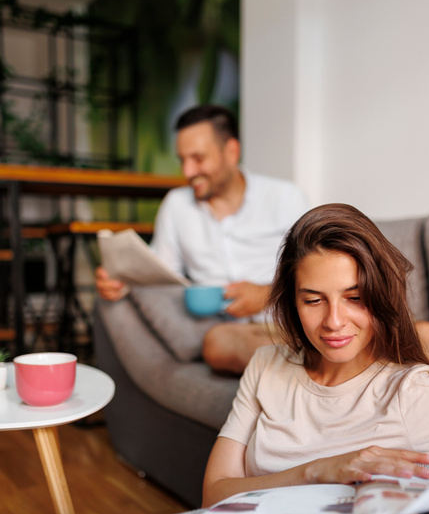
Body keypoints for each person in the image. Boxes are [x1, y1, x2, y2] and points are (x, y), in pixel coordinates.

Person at [202, 203, 429, 508]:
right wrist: (315, 472)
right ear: (293, 302)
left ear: (379, 294)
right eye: (314, 300)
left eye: (354, 298)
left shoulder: (411, 392)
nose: (334, 321)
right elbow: (213, 495)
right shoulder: (265, 364)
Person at [95, 104, 309, 373]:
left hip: (290, 323)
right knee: (218, 344)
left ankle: (305, 363)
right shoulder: (176, 205)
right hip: (234, 333)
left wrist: (268, 295)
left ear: (231, 151)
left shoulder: (286, 198)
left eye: (198, 158)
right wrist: (122, 280)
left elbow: (317, 272)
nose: (187, 171)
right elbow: (159, 271)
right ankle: (312, 367)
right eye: (182, 159)